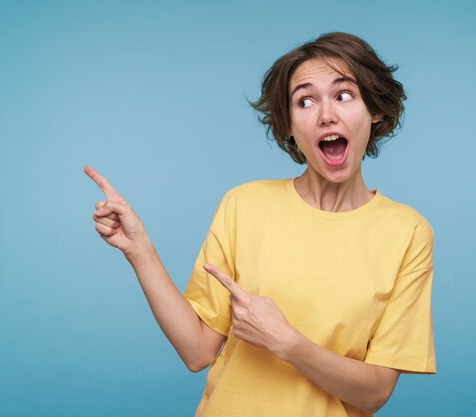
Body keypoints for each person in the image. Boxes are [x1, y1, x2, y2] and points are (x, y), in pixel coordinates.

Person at [86, 32, 436, 417]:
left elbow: (375, 393)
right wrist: (139, 250)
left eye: (344, 95)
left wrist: (288, 343)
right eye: (305, 101)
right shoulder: (244, 205)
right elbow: (197, 351)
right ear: (288, 125)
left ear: (375, 109)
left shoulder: (407, 232)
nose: (326, 115)